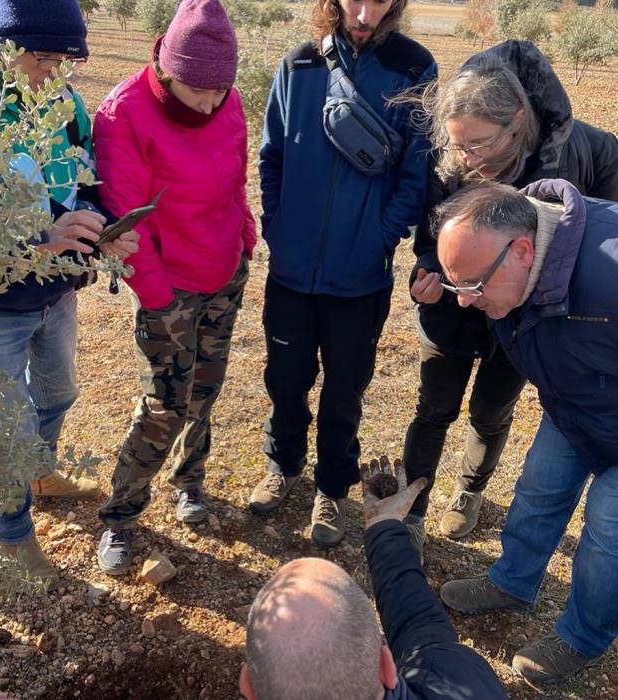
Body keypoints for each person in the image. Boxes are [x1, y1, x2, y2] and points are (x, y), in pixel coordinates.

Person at [0, 0, 139, 583]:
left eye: (69, 59)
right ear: (5, 45)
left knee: (60, 390)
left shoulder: (63, 96)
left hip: (55, 292)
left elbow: (82, 174)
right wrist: (39, 239)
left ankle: (39, 473)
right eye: (46, 58)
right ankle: (14, 534)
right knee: (2, 425)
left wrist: (99, 227)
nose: (59, 73)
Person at [402, 40, 618, 550]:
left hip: (528, 329)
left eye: (478, 144)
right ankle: (410, 509)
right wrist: (428, 275)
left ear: (517, 121)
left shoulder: (575, 151)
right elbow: (431, 242)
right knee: (434, 409)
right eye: (457, 145)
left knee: (491, 412)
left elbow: (601, 224)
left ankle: (468, 492)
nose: (466, 158)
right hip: (452, 311)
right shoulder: (450, 163)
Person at [249, 0, 437, 548]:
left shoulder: (414, 67)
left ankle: (331, 489)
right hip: (290, 272)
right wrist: (278, 227)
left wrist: (382, 235)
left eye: (379, 0)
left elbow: (416, 169)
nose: (363, 11)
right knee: (285, 380)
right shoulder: (299, 64)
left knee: (344, 392)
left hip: (361, 279)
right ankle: (282, 465)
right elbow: (271, 155)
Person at [93, 0, 256, 575]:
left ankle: (191, 483)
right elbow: (129, 225)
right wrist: (159, 300)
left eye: (221, 90)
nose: (212, 103)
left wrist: (245, 236)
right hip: (169, 289)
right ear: (166, 67)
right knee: (164, 403)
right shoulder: (123, 115)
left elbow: (236, 179)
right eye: (198, 91)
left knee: (206, 390)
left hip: (224, 273)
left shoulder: (226, 98)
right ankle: (120, 516)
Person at [434, 179, 618, 683]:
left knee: (608, 526)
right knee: (538, 487)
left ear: (521, 251)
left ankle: (582, 637)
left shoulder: (610, 267)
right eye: (458, 287)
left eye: (472, 286)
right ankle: (513, 583)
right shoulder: (507, 256)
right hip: (576, 405)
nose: (465, 301)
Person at [241, 456, 508, 699]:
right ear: (386, 666)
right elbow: (421, 629)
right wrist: (384, 524)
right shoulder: (464, 679)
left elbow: (420, 629)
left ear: (248, 688)